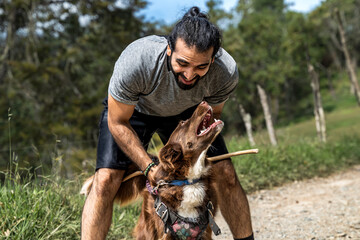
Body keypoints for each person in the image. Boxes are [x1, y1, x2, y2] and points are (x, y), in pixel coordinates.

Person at [81, 6, 254, 240]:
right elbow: (118, 121)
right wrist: (149, 167)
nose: (190, 74)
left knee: (226, 172)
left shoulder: (225, 71)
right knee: (106, 180)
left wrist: (194, 165)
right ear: (169, 49)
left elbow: (209, 120)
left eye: (201, 66)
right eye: (182, 63)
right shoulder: (138, 60)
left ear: (213, 60)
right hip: (134, 112)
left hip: (184, 116)